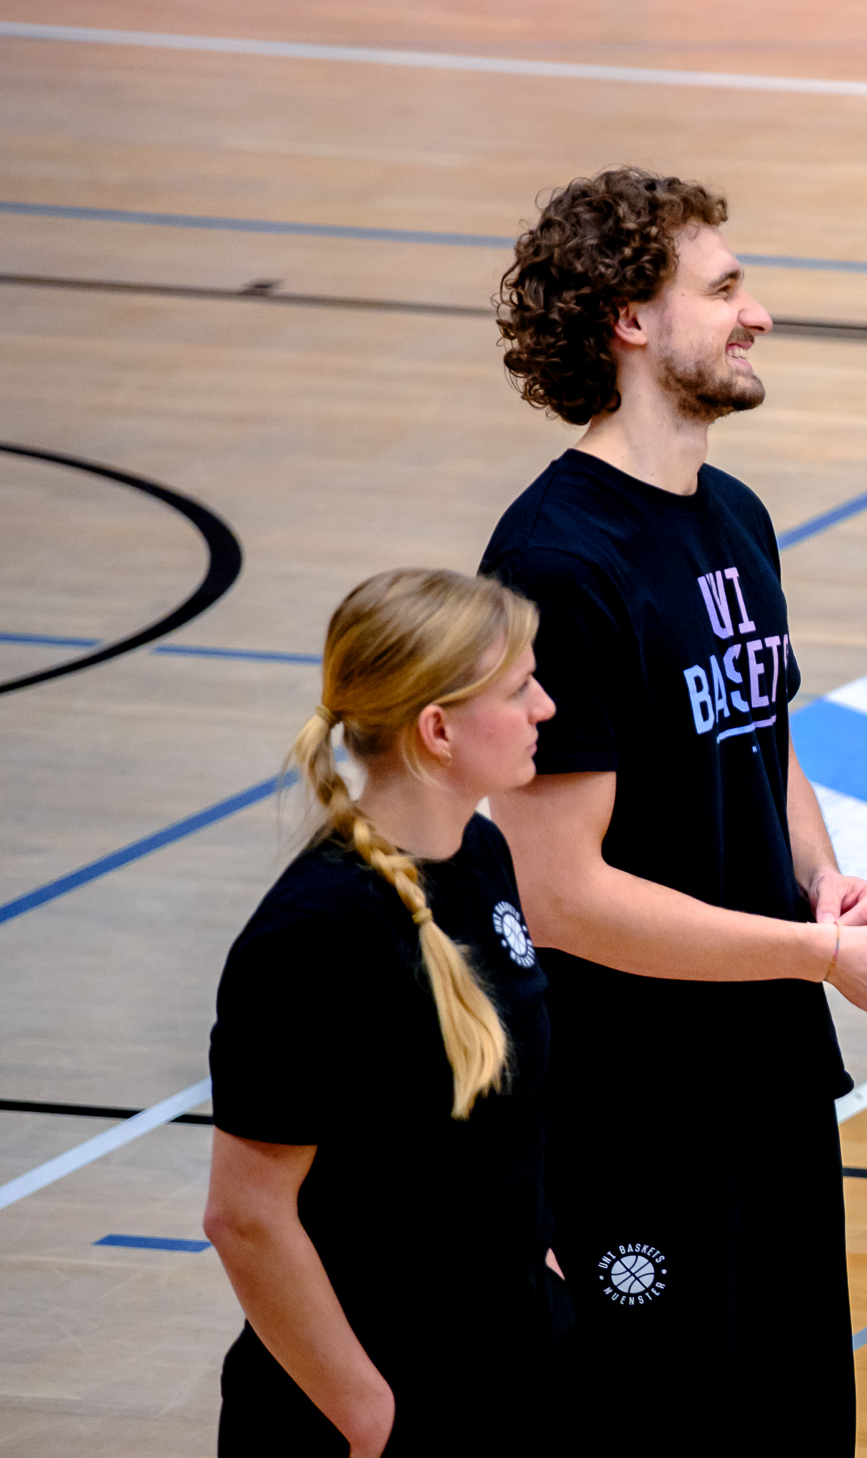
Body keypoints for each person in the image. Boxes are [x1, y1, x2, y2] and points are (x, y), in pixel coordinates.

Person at [479, 167, 867, 1453]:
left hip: (768, 1074)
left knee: (799, 1420)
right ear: (630, 320)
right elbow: (560, 895)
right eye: (725, 289)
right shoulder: (557, 562)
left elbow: (763, 733)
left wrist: (823, 881)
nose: (757, 315)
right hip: (634, 1109)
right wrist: (825, 955)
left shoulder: (734, 517)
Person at [205, 567, 564, 1456]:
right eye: (519, 689)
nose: (546, 707)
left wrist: (543, 1271)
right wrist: (367, 1416)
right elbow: (246, 1216)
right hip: (377, 1405)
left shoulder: (482, 857)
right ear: (437, 730)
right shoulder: (317, 934)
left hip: (510, 1372)